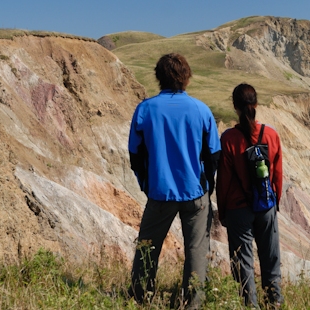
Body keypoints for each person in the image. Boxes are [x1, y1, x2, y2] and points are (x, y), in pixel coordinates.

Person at [127, 53, 221, 308]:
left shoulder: (145, 109)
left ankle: (139, 298)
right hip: (195, 193)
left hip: (159, 193)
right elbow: (214, 156)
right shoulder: (201, 110)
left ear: (159, 78)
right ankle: (191, 303)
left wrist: (146, 184)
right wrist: (207, 188)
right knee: (196, 252)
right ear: (186, 77)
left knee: (147, 248)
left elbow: (135, 155)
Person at [216, 83, 284, 307]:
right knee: (270, 260)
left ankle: (249, 305)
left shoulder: (228, 138)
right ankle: (274, 303)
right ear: (256, 105)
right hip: (266, 206)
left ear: (235, 107)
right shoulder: (271, 135)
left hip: (238, 209)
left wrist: (223, 211)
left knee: (243, 264)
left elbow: (223, 179)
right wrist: (275, 203)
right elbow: (278, 175)